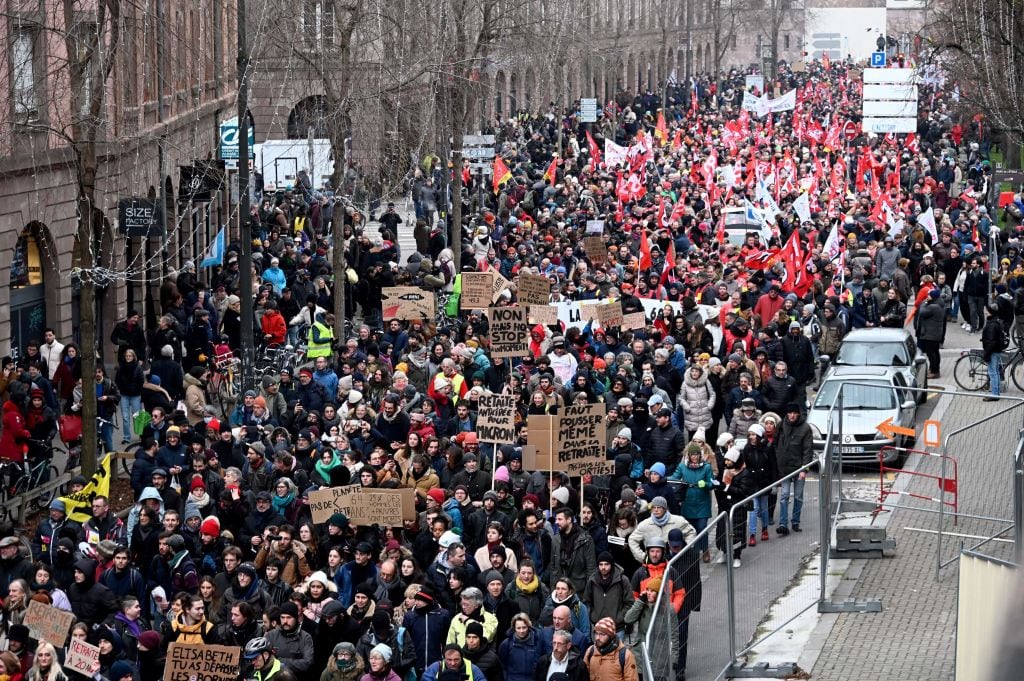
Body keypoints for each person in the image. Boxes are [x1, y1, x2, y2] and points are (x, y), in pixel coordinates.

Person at [775, 403, 814, 535]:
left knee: (798, 496)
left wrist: (804, 469)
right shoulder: (781, 425)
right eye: (789, 413)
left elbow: (808, 450)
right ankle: (782, 523)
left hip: (798, 467)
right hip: (785, 467)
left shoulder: (805, 428)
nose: (791, 415)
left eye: (794, 413)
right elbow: (776, 443)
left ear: (798, 414)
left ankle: (795, 521)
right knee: (784, 495)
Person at [266, 601, 315, 674]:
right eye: (282, 617)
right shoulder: (271, 635)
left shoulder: (305, 637)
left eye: (289, 617)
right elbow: (266, 660)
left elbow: (307, 663)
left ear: (296, 618)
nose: (285, 621)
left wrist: (279, 661)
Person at [983, 303, 1008, 402]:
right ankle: (996, 392)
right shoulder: (997, 321)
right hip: (997, 350)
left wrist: (987, 354)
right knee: (996, 372)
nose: (985, 311)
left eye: (986, 310)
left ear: (990, 312)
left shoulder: (992, 325)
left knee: (992, 373)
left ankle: (994, 395)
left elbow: (991, 341)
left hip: (992, 351)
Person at [421, 645, 486, 681]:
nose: (453, 663)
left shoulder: (473, 669)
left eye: (456, 659)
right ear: (444, 658)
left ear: (462, 657)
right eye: (449, 660)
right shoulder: (435, 668)